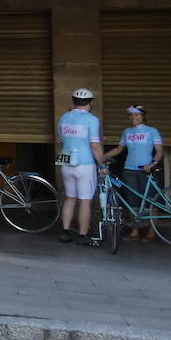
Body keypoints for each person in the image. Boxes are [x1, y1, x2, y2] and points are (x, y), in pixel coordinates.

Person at [103, 104, 164, 241]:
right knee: (132, 202)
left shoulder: (152, 131)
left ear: (143, 116)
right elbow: (119, 149)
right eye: (131, 115)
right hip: (129, 170)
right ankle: (135, 231)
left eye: (136, 115)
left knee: (150, 202)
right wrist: (103, 156)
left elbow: (159, 150)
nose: (133, 117)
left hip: (146, 170)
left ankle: (151, 232)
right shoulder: (127, 132)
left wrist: (153, 163)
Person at [56, 87, 105, 246]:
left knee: (70, 198)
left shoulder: (63, 118)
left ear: (74, 102)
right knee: (85, 201)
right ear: (90, 103)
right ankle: (83, 235)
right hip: (85, 163)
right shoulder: (92, 119)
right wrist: (102, 163)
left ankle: (65, 232)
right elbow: (95, 146)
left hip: (65, 160)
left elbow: (62, 142)